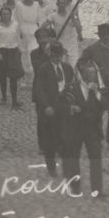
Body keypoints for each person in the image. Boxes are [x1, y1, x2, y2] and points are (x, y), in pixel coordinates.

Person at [59, 59, 108, 197]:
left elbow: (105, 105)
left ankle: (97, 189)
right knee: (74, 157)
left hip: (92, 129)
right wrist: (71, 108)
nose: (93, 76)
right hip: (76, 129)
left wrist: (97, 93)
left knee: (96, 159)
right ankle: (75, 186)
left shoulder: (97, 89)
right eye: (91, 73)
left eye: (94, 73)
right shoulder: (71, 88)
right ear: (83, 75)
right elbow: (60, 106)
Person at [34, 42, 75, 176]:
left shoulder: (68, 68)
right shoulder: (43, 70)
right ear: (50, 55)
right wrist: (46, 106)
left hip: (63, 109)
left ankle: (67, 167)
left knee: (66, 139)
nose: (58, 58)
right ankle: (51, 167)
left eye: (60, 55)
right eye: (55, 55)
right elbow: (39, 91)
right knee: (49, 141)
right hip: (50, 110)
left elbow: (72, 87)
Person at [0, 6, 25, 108]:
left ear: (10, 15)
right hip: (2, 53)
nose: (5, 16)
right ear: (0, 15)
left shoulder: (15, 25)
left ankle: (14, 101)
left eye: (7, 14)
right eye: (3, 14)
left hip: (13, 52)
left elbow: (18, 37)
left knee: (13, 77)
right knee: (2, 77)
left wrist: (20, 49)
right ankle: (4, 97)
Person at [45, 0, 83, 67]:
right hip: (60, 44)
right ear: (57, 4)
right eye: (60, 3)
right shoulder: (52, 16)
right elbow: (43, 28)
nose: (62, 5)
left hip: (72, 44)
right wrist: (51, 38)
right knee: (61, 66)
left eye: (64, 3)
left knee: (74, 66)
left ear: (66, 4)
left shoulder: (71, 15)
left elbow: (79, 29)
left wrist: (73, 18)